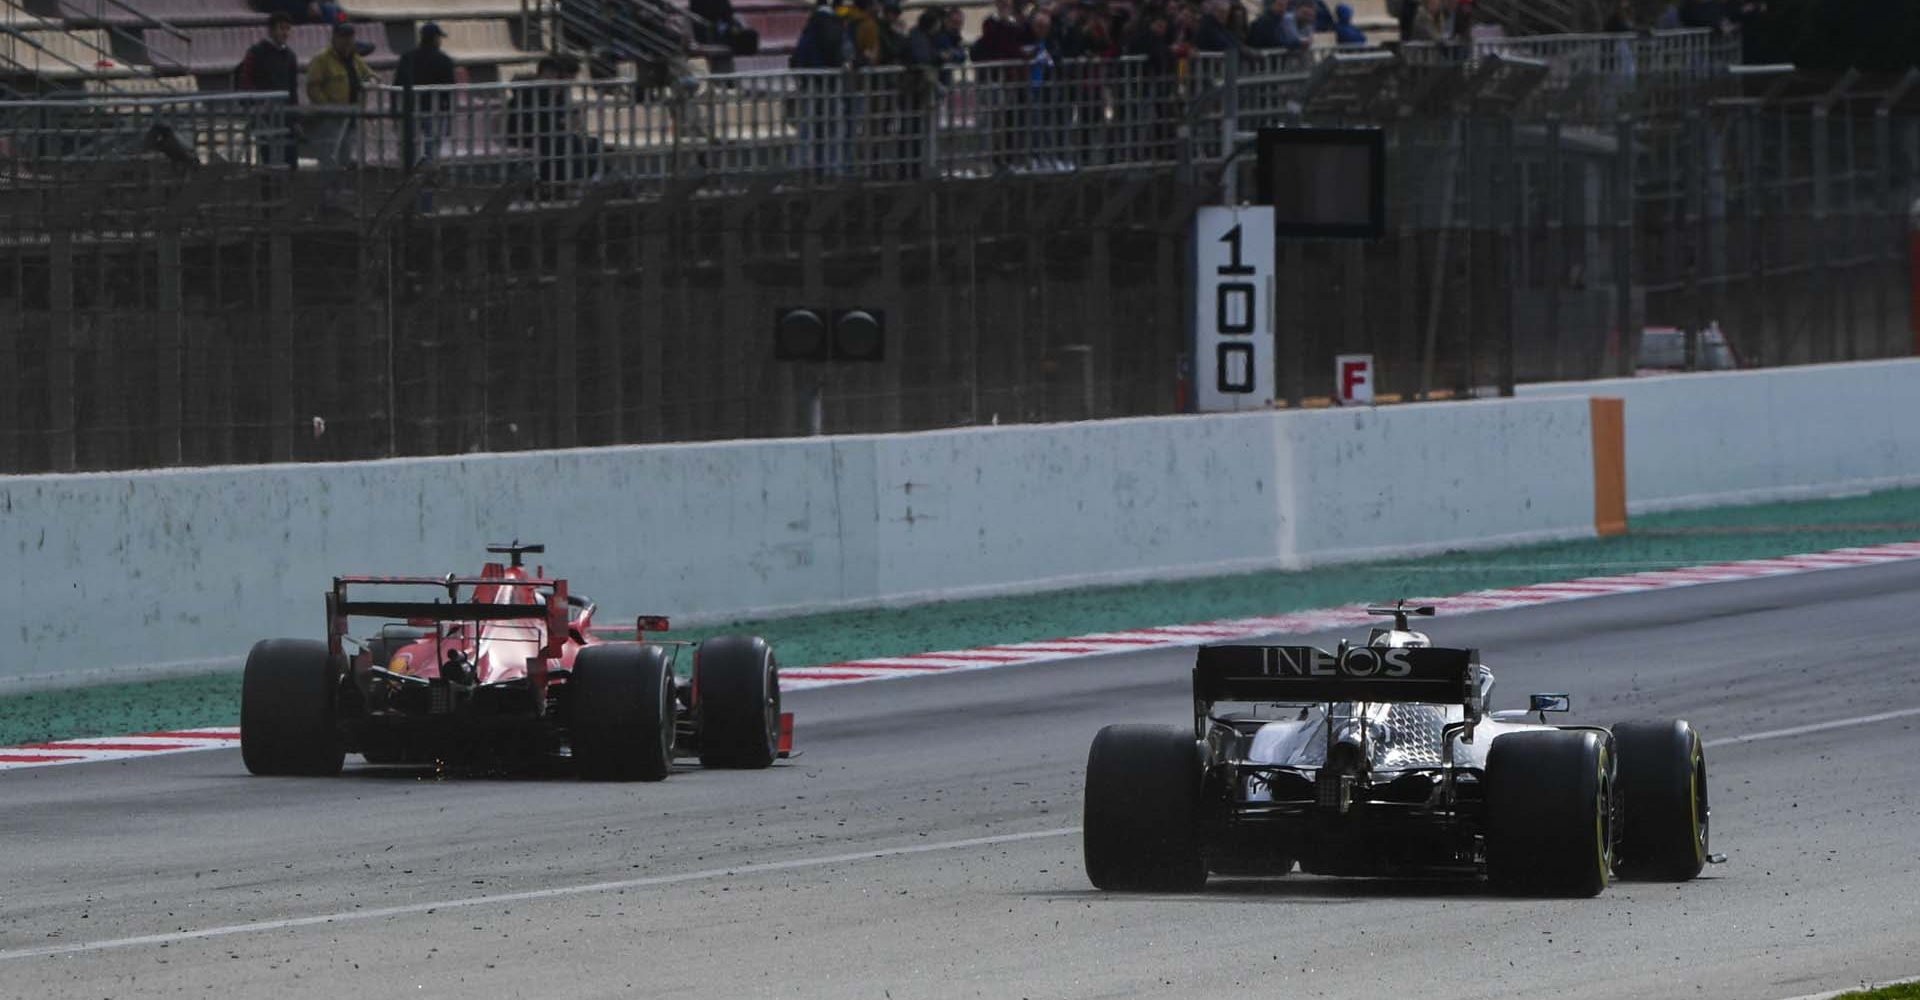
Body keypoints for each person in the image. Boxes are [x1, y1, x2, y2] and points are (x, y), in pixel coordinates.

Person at [305, 22, 375, 168]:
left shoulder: (355, 58)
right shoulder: (321, 59)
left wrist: (371, 80)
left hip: (350, 114)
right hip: (331, 117)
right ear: (335, 38)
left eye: (350, 37)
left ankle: (342, 187)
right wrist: (327, 107)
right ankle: (328, 188)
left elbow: (369, 74)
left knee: (345, 154)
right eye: (343, 37)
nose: (347, 41)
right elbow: (313, 87)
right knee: (329, 155)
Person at [236, 12, 299, 166]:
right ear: (271, 30)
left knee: (290, 156)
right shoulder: (256, 52)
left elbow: (292, 88)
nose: (285, 33)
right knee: (267, 156)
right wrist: (256, 105)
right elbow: (244, 81)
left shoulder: (290, 56)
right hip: (263, 113)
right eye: (281, 28)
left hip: (285, 113)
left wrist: (295, 117)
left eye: (287, 29)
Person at [393, 22, 455, 165]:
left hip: (410, 108)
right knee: (432, 148)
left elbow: (396, 84)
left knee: (409, 147)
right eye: (439, 38)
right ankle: (429, 176)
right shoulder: (444, 60)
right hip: (434, 110)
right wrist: (448, 111)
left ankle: (409, 176)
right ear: (435, 39)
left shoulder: (407, 57)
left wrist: (394, 109)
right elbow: (449, 89)